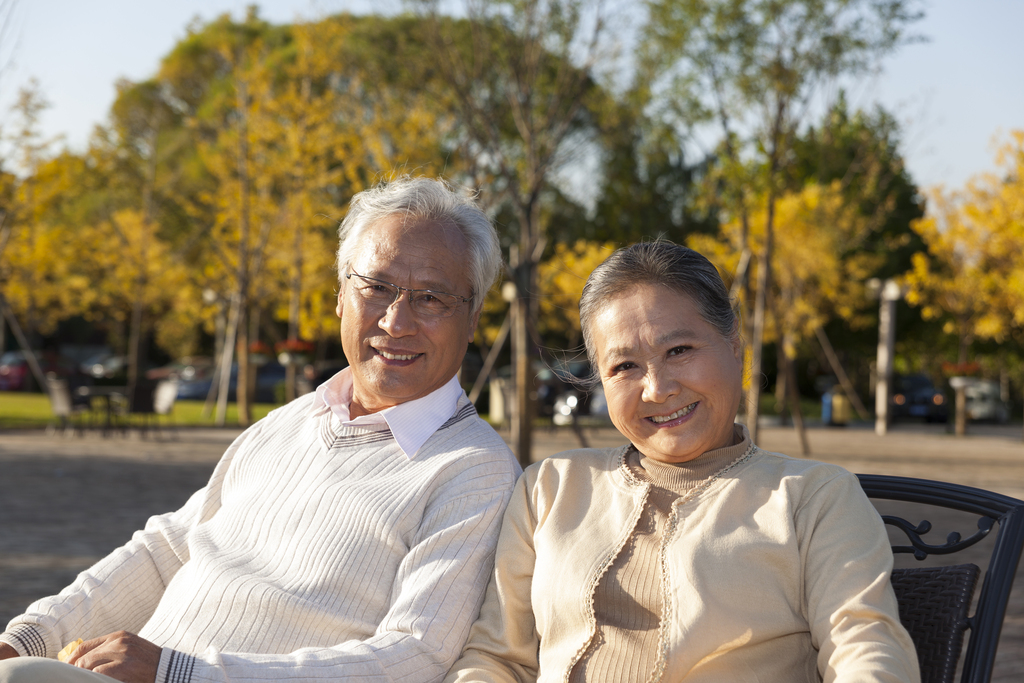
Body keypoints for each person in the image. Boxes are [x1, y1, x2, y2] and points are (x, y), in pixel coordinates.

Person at [0, 177, 521, 683]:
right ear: (341, 296)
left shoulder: (475, 472)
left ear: (472, 318)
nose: (396, 321)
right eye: (377, 287)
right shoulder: (292, 421)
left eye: (431, 298)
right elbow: (169, 549)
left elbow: (412, 657)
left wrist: (181, 674)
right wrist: (30, 637)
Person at [445, 241, 919, 683]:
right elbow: (496, 657)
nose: (657, 388)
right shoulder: (551, 487)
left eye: (679, 351)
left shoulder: (814, 497)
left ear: (734, 346)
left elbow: (865, 650)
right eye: (624, 366)